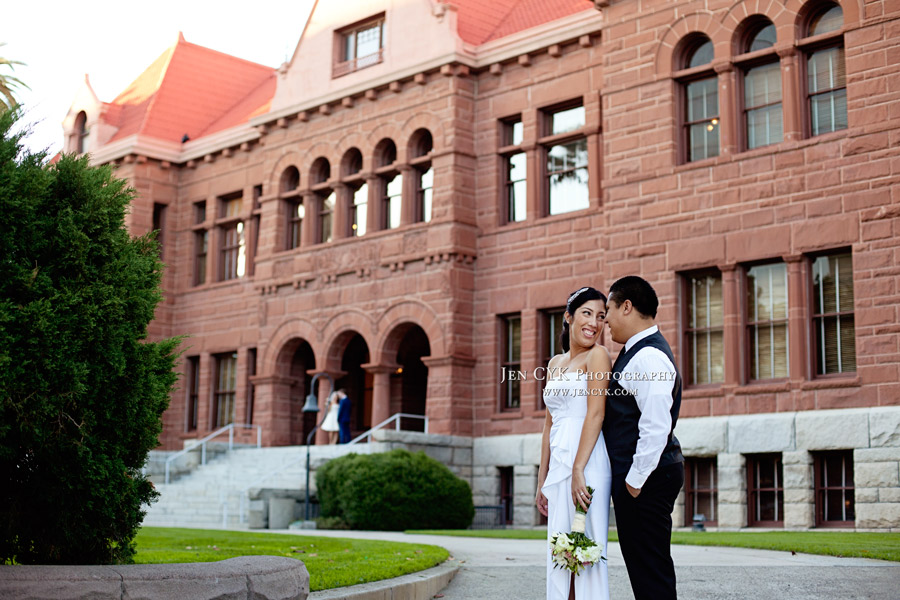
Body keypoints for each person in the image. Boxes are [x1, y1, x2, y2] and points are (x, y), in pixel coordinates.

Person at [602, 276, 684, 600]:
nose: (605, 319)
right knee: (646, 568)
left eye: (608, 309)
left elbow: (655, 425)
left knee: (650, 570)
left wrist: (634, 481)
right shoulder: (635, 351)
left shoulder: (648, 357)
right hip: (645, 478)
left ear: (627, 306)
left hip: (646, 480)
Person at [535, 286, 612, 600]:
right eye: (587, 313)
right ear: (568, 317)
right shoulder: (555, 363)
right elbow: (549, 424)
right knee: (561, 553)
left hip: (588, 463)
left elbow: (595, 415)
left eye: (601, 316)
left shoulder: (599, 356)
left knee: (584, 551)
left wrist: (579, 469)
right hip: (560, 464)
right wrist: (543, 479)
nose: (594, 323)